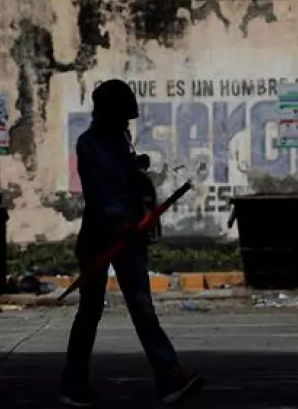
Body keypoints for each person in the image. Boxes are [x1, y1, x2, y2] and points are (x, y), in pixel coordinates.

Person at [61, 79, 203, 407]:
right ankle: (73, 382)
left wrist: (142, 206)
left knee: (142, 309)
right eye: (122, 116)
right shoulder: (89, 144)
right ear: (107, 113)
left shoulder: (121, 141)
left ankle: (169, 376)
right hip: (100, 238)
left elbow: (130, 185)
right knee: (90, 309)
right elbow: (99, 192)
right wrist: (119, 223)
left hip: (129, 239)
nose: (127, 123)